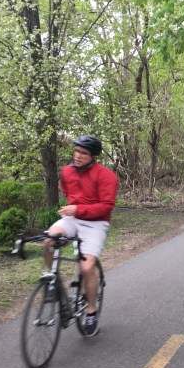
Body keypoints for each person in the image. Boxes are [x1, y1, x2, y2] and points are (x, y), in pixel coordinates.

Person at [45, 135, 118, 336]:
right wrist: (74, 210)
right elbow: (67, 190)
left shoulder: (107, 176)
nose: (78, 156)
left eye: (83, 153)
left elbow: (106, 207)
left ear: (93, 156)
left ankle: (91, 311)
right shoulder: (67, 172)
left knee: (86, 267)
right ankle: (55, 283)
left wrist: (78, 209)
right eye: (76, 151)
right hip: (72, 217)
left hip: (96, 223)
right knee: (49, 240)